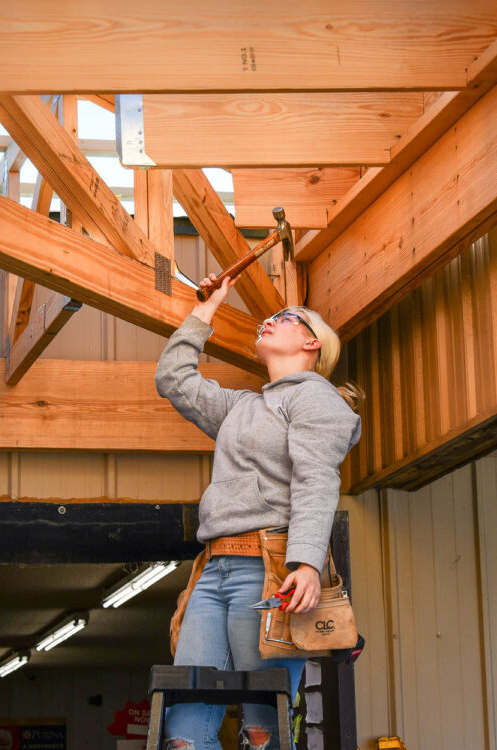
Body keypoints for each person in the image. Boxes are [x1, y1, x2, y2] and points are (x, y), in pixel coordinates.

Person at [155, 273, 362, 750]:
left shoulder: (315, 397)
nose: (268, 321)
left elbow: (317, 479)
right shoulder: (240, 407)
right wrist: (208, 307)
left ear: (311, 343)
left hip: (268, 571)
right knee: (183, 732)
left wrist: (307, 562)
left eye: (284, 318)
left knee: (261, 729)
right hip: (212, 571)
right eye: (267, 318)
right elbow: (173, 378)